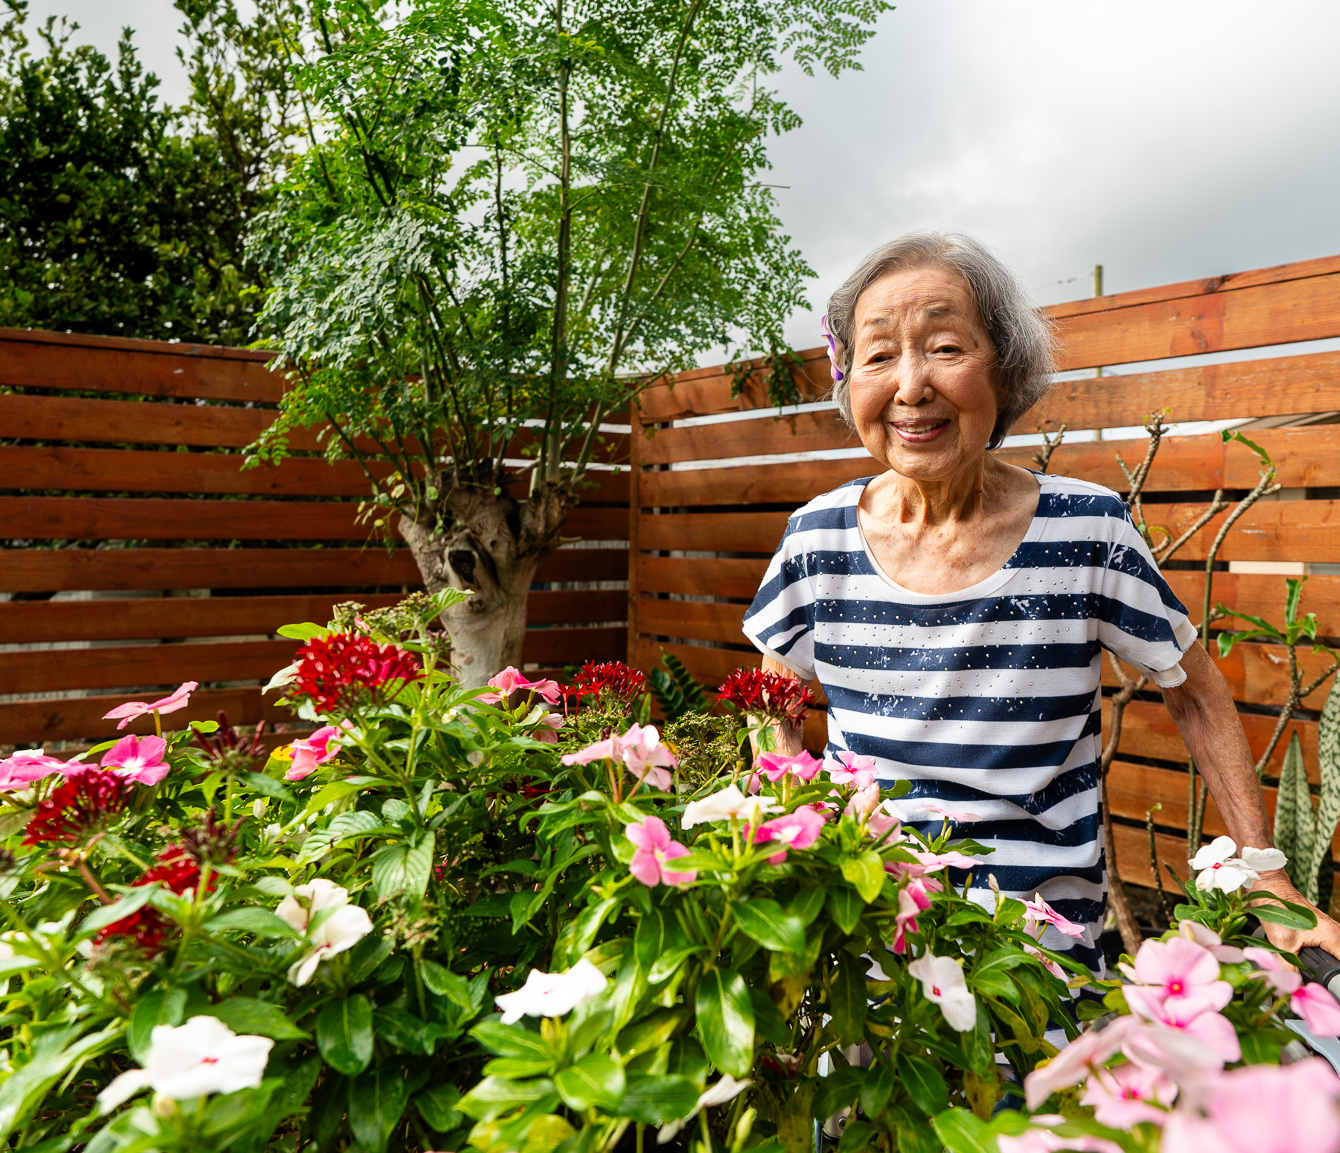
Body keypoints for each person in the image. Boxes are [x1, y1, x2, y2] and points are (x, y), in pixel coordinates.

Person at [741, 230, 1340, 970]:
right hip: (860, 944)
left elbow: (1196, 692)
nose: (910, 386)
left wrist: (1269, 877)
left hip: (1036, 955)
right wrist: (795, 835)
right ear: (850, 379)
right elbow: (775, 703)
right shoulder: (815, 537)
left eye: (945, 347)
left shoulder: (1086, 529)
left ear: (1007, 366)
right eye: (878, 354)